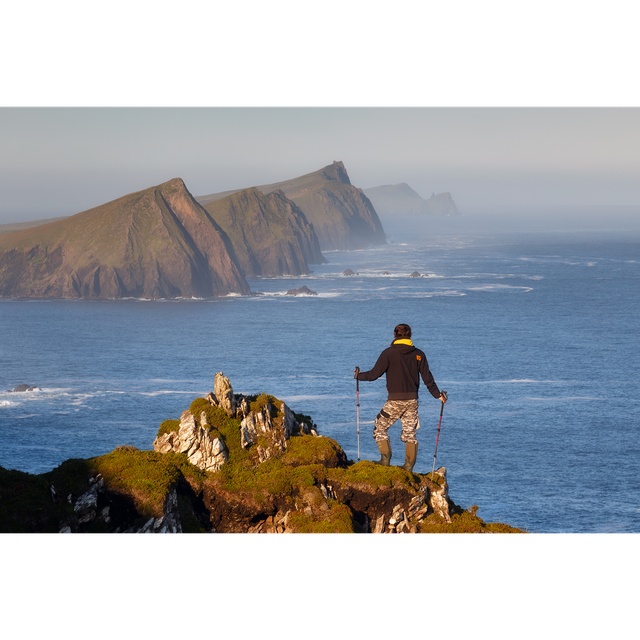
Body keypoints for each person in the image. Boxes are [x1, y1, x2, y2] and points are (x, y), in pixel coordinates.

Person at [354, 323, 446, 473]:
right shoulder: (419, 354)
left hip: (395, 401)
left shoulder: (388, 353)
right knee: (410, 432)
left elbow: (373, 375)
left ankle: (385, 460)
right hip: (412, 401)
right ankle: (408, 467)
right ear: (409, 335)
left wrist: (358, 376)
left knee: (379, 427)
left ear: (395, 335)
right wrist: (438, 396)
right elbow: (427, 378)